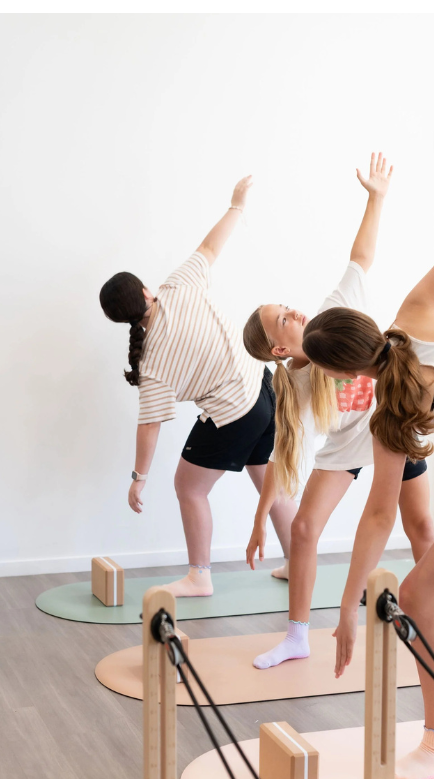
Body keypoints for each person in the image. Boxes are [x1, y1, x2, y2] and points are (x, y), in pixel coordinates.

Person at [301, 121, 434, 779]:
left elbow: (376, 518)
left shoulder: (388, 414)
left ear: (344, 375)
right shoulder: (417, 311)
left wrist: (344, 610)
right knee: (429, 586)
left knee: (420, 598)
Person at [243, 155, 434, 671]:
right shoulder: (293, 386)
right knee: (302, 530)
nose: (294, 311)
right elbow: (284, 455)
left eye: (286, 305)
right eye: (282, 318)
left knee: (423, 527)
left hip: (394, 430)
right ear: (277, 349)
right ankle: (297, 634)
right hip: (350, 449)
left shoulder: (333, 318)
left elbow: (360, 256)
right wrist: (258, 520)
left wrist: (376, 197)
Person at [99, 177, 297, 597]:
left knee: (188, 487)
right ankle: (300, 563)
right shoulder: (178, 286)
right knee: (267, 482)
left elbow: (149, 425)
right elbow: (211, 247)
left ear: (120, 319)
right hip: (263, 389)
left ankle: (199, 576)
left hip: (235, 411)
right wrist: (237, 205)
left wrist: (139, 477)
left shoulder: (150, 362)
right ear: (146, 291)